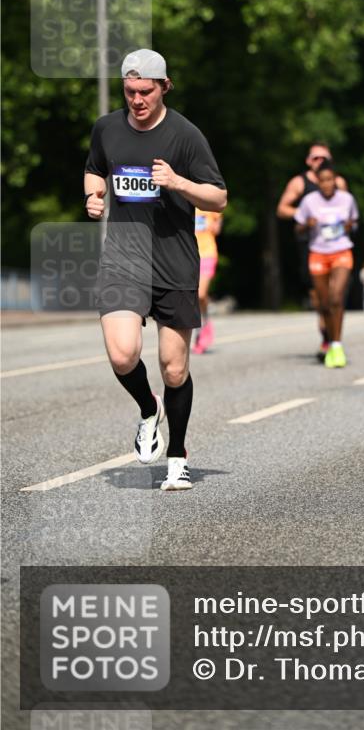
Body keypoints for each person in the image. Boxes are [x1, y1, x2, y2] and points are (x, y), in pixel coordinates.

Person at [84, 49, 226, 491]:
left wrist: (179, 182)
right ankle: (149, 409)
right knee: (123, 354)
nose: (137, 100)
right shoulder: (107, 128)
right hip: (124, 257)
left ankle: (178, 456)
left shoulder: (185, 135)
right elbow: (94, 170)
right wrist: (94, 196)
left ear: (164, 87)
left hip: (174, 261)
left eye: (145, 91)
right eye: (130, 92)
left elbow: (218, 197)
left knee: (174, 368)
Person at [276, 143, 348, 360]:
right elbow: (282, 208)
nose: (319, 162)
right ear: (308, 161)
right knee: (319, 299)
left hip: (336, 246)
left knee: (336, 294)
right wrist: (306, 215)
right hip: (310, 246)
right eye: (315, 158)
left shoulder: (339, 182)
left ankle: (334, 341)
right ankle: (327, 336)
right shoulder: (300, 183)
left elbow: (347, 209)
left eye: (323, 158)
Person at [294, 161, 358, 368]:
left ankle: (337, 345)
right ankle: (330, 342)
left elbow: (354, 222)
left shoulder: (346, 199)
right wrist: (306, 225)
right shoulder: (309, 201)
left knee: (336, 297)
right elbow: (297, 228)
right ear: (318, 183)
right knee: (323, 304)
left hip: (341, 251)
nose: (326, 184)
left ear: (335, 180)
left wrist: (350, 226)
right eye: (322, 181)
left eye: (330, 180)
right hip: (318, 254)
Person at [192, 208, 223, 354]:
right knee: (191, 295)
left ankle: (204, 323)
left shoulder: (207, 203)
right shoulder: (183, 200)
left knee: (201, 294)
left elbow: (217, 226)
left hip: (207, 254)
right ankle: (199, 330)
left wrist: (215, 226)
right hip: (188, 254)